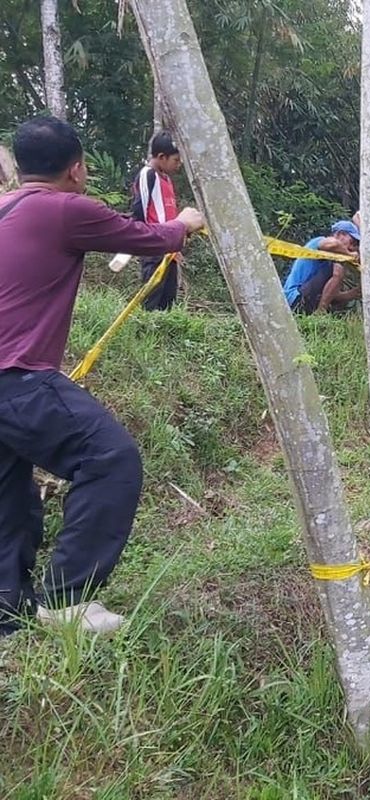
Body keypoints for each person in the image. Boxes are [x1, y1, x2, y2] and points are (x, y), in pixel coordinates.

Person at [0, 116, 204, 637]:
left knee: (9, 495)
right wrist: (185, 223)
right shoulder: (65, 208)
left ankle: (8, 613)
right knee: (109, 458)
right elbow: (145, 237)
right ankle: (68, 599)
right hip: (18, 378)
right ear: (76, 168)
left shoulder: (6, 207)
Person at [130, 131, 185, 311]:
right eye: (176, 160)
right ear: (162, 157)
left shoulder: (167, 180)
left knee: (168, 299)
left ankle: (164, 337)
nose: (179, 164)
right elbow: (140, 210)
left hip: (170, 250)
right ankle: (145, 334)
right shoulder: (148, 174)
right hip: (155, 248)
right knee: (152, 297)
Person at [281, 220, 361, 314]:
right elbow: (334, 244)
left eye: (355, 246)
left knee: (338, 268)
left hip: (303, 299)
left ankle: (318, 312)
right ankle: (320, 313)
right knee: (338, 268)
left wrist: (351, 294)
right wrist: (349, 254)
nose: (352, 248)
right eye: (352, 242)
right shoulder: (319, 241)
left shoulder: (330, 261)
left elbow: (329, 296)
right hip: (295, 296)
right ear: (340, 234)